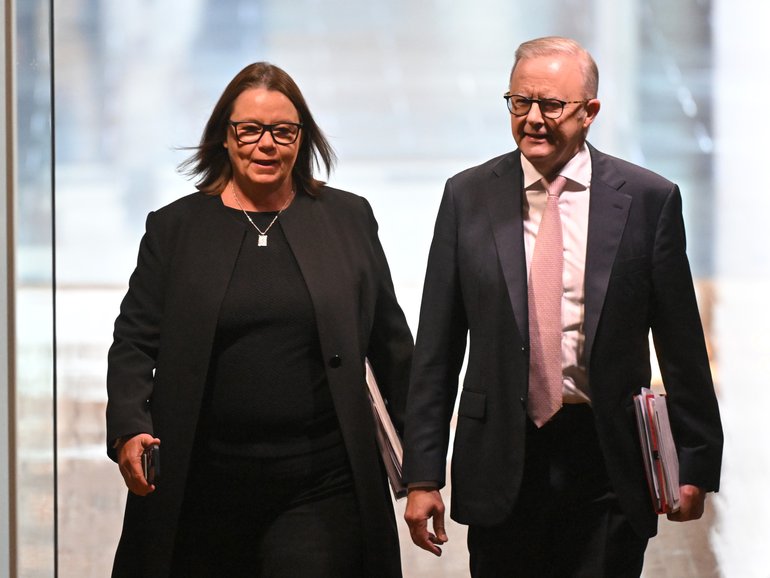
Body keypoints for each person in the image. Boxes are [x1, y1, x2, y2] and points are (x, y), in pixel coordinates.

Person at [402, 36, 723, 577]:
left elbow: (682, 344)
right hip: (501, 451)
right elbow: (436, 347)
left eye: (550, 105)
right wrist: (422, 475)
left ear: (590, 111)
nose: (532, 119)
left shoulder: (648, 200)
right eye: (519, 102)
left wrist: (695, 463)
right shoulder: (468, 196)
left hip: (607, 458)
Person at [105, 62, 413, 578]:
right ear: (225, 137)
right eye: (249, 129)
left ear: (302, 139)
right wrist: (130, 428)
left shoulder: (347, 218)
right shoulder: (174, 229)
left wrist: (421, 472)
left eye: (283, 132)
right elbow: (134, 342)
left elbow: (391, 346)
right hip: (201, 482)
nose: (265, 144)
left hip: (321, 483)